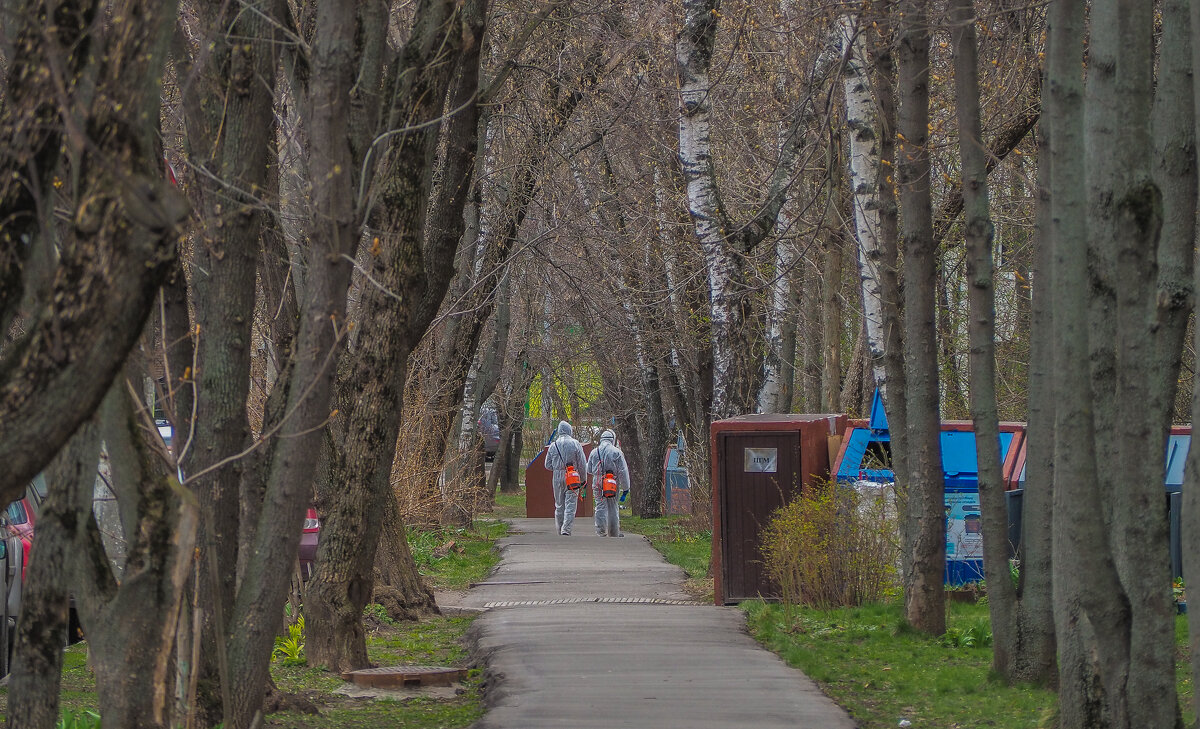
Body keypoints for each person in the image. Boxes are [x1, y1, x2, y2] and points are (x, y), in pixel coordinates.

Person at [543, 421, 587, 536]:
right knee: (570, 504)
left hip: (557, 477)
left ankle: (559, 529)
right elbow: (582, 463)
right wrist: (583, 479)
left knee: (559, 505)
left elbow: (547, 465)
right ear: (569, 430)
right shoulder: (575, 444)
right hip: (572, 476)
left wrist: (557, 468)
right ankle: (566, 530)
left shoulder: (553, 445)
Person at [586, 429, 630, 537]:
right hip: (612, 483)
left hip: (597, 482)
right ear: (612, 439)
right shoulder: (616, 452)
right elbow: (623, 471)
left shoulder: (594, 452)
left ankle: (600, 531)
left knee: (600, 506)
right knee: (613, 507)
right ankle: (614, 532)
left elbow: (589, 469)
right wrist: (626, 488)